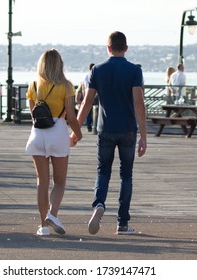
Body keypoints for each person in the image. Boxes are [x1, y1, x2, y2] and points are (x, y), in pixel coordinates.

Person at [71, 31, 147, 235]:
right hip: (128, 130)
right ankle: (122, 223)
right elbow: (139, 104)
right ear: (126, 48)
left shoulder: (97, 70)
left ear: (108, 48)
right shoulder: (134, 71)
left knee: (102, 171)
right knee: (126, 176)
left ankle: (99, 205)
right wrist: (144, 136)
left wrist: (76, 131)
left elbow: (86, 102)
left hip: (105, 129)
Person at [25, 49, 82, 236]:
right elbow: (71, 117)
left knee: (42, 181)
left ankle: (43, 227)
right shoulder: (66, 86)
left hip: (37, 133)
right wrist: (78, 134)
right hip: (57, 131)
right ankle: (53, 214)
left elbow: (34, 113)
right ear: (60, 64)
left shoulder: (34, 85)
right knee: (60, 182)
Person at [75, 63, 96, 133]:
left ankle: (89, 126)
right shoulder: (94, 75)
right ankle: (93, 126)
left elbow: (85, 87)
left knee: (89, 112)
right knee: (94, 111)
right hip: (94, 96)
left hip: (87, 95)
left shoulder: (86, 76)